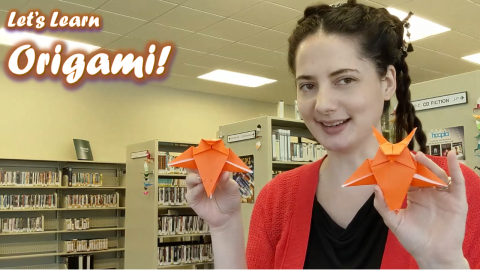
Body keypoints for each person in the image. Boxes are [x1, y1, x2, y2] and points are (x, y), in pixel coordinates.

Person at [185, 0, 480, 268]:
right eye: (308, 86)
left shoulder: (448, 188)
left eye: (345, 80)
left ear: (387, 82)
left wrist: (444, 263)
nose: (323, 105)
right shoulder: (277, 198)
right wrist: (224, 226)